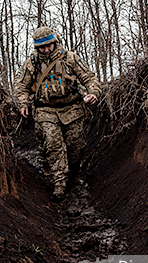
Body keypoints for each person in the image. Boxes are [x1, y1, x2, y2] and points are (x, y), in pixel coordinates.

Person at [14, 27, 101, 201]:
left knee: (75, 145)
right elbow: (21, 85)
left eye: (49, 46)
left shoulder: (70, 58)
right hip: (45, 110)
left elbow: (89, 78)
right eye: (42, 47)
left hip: (72, 109)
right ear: (36, 47)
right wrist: (23, 103)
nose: (46, 50)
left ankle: (74, 175)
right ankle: (59, 183)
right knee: (53, 144)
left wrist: (94, 92)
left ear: (55, 43)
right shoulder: (32, 63)